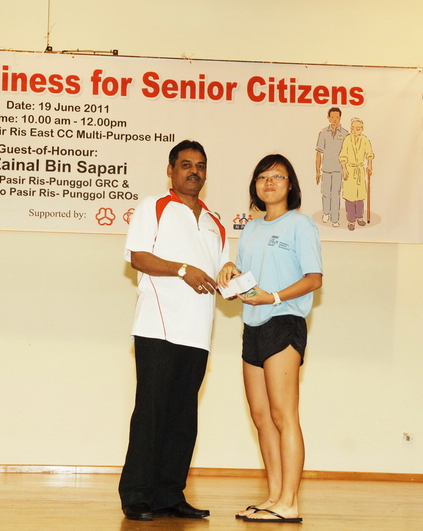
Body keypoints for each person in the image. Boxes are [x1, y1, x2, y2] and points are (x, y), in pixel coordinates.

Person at [119, 140, 231, 521]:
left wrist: (232, 278)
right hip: (158, 327)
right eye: (186, 165)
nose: (194, 171)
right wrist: (183, 270)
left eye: (200, 165)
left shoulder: (215, 222)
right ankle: (137, 494)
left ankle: (169, 494)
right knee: (151, 412)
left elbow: (222, 271)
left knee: (183, 417)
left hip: (198, 332)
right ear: (171, 170)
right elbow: (139, 257)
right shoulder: (153, 206)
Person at [218, 154, 322, 523]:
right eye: (263, 177)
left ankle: (290, 502)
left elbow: (314, 279)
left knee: (283, 414)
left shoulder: (301, 225)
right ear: (255, 186)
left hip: (284, 322)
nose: (269, 182)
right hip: (253, 325)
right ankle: (274, 497)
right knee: (262, 417)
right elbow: (249, 281)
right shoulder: (250, 228)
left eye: (278, 176)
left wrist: (274, 297)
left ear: (291, 185)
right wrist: (230, 271)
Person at [339, 117, 374, 231]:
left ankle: (359, 217)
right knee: (350, 197)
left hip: (360, 170)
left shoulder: (365, 140)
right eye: (353, 128)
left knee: (360, 196)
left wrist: (369, 165)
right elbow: (343, 156)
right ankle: (351, 220)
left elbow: (369, 154)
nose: (355, 131)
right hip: (350, 169)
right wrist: (345, 169)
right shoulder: (347, 139)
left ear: (362, 129)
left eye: (358, 129)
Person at [315, 107, 348, 227]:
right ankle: (326, 212)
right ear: (328, 117)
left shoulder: (345, 134)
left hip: (338, 170)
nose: (335, 120)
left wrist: (346, 170)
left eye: (337, 117)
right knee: (325, 193)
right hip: (326, 169)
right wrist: (317, 171)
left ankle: (335, 218)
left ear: (340, 118)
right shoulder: (323, 133)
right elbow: (319, 153)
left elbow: (347, 154)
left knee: (336, 194)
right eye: (332, 117)